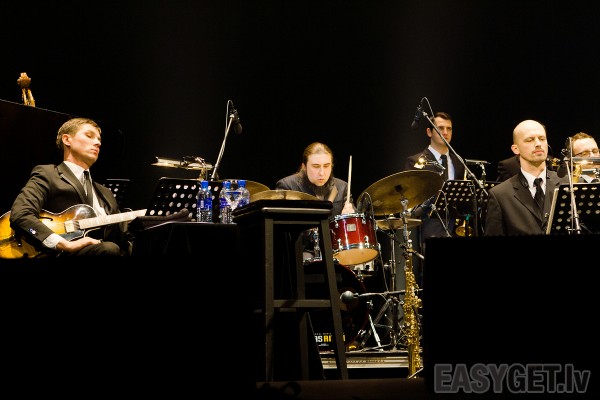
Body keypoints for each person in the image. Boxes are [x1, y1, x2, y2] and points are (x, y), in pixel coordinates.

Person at [8, 117, 132, 257]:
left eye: (99, 139)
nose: (98, 143)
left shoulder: (106, 193)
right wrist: (64, 244)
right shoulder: (48, 174)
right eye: (89, 135)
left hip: (99, 250)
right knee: (109, 250)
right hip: (56, 254)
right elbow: (21, 215)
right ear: (67, 140)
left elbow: (123, 235)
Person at [276, 142, 356, 263]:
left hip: (335, 252)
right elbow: (283, 233)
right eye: (316, 166)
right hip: (301, 253)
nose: (322, 173)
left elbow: (353, 227)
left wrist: (351, 216)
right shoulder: (287, 186)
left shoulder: (343, 187)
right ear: (304, 166)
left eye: (326, 166)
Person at [484, 119, 566, 236]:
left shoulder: (567, 183)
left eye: (542, 139)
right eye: (530, 140)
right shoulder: (500, 195)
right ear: (515, 149)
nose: (538, 144)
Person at [403, 111, 466, 243]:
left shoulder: (459, 162)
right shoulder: (414, 162)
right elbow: (410, 200)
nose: (445, 132)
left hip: (457, 230)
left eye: (449, 128)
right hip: (428, 228)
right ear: (429, 132)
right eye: (440, 128)